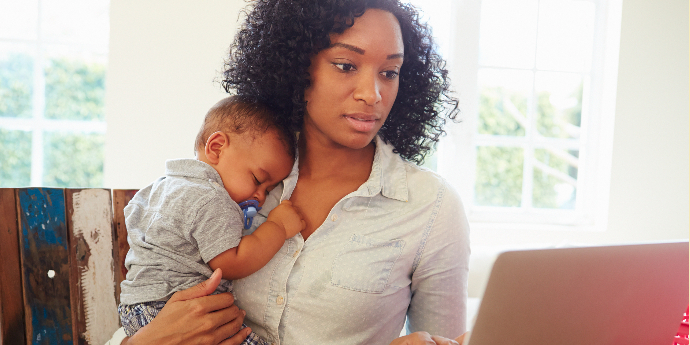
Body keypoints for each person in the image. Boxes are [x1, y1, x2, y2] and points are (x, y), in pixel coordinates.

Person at [109, 0, 470, 344]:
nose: (372, 94)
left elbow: (447, 341)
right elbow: (151, 288)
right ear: (299, 67)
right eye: (346, 65)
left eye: (389, 72)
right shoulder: (233, 172)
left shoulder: (431, 207)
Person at [117, 96, 305, 345]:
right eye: (258, 180)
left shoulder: (162, 186)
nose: (260, 197)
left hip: (135, 310)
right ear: (216, 147)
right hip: (170, 310)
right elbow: (231, 263)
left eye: (269, 190)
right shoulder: (211, 198)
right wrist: (278, 227)